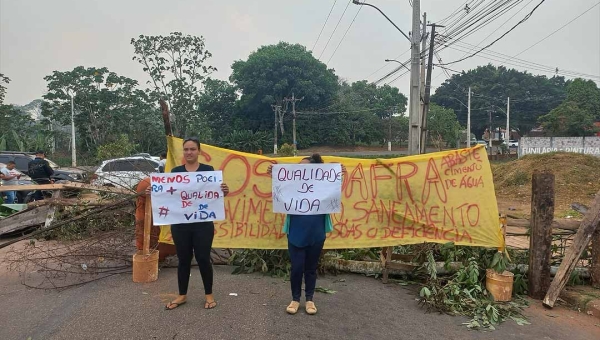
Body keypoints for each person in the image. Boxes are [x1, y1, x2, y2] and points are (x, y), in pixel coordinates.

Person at [267, 153, 344, 315]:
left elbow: (332, 188)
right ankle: (295, 299)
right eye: (298, 168)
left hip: (316, 233)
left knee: (310, 268)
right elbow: (282, 188)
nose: (299, 171)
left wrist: (337, 173)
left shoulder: (323, 186)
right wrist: (274, 175)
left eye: (304, 168)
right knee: (296, 268)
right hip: (296, 232)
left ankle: (309, 299)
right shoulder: (293, 187)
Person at [160, 138, 230, 311]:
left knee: (203, 259)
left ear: (199, 151)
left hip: (203, 225)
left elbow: (214, 196)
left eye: (192, 149)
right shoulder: (176, 172)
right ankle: (182, 295)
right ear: (183, 152)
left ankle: (209, 295)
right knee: (183, 260)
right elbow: (168, 196)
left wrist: (224, 192)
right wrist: (153, 191)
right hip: (180, 225)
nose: (189, 152)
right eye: (186, 149)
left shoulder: (208, 171)